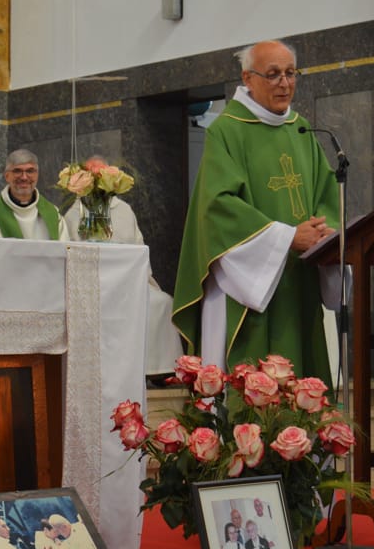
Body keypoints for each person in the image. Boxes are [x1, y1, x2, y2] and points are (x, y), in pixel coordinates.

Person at [172, 39, 340, 382]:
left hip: (299, 277)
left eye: (291, 73)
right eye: (273, 74)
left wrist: (323, 233)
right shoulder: (227, 130)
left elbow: (325, 194)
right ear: (247, 78)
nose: (284, 83)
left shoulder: (302, 130)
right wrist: (287, 237)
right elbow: (218, 206)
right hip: (246, 284)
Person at [62, 155, 184, 378]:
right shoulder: (74, 213)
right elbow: (70, 252)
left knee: (162, 303)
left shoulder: (124, 210)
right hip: (92, 287)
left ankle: (157, 371)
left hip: (128, 284)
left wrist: (134, 277)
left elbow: (139, 248)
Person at [0, 149, 68, 240]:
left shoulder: (53, 213)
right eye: (17, 171)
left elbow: (65, 247)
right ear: (7, 176)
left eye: (30, 171)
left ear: (37, 175)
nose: (24, 177)